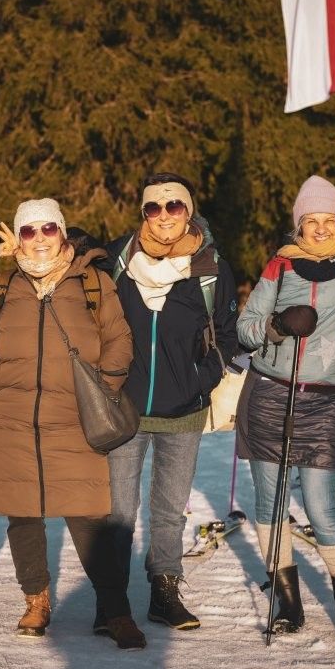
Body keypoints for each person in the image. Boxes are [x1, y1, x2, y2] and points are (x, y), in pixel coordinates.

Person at [0, 199, 147, 649]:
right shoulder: (2, 286)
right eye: (29, 231)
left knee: (89, 517)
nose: (40, 238)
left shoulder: (92, 282)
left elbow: (119, 338)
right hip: (13, 420)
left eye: (49, 228)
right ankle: (36, 599)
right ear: (21, 238)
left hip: (75, 417)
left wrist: (105, 387)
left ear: (63, 233)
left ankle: (114, 609)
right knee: (23, 515)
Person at [235, 175, 335, 641]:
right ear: (298, 225)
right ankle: (288, 604)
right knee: (270, 504)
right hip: (270, 392)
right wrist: (276, 324)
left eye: (325, 220)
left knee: (320, 505)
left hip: (325, 399)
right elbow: (246, 326)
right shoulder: (281, 266)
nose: (317, 229)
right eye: (308, 221)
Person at [103, 173, 237, 632]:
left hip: (184, 410)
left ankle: (164, 589)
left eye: (173, 206)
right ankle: (112, 598)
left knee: (168, 508)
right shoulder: (118, 259)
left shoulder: (210, 267)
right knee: (119, 509)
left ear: (188, 210)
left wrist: (205, 378)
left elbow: (227, 333)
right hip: (126, 409)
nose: (163, 217)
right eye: (153, 209)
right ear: (143, 214)